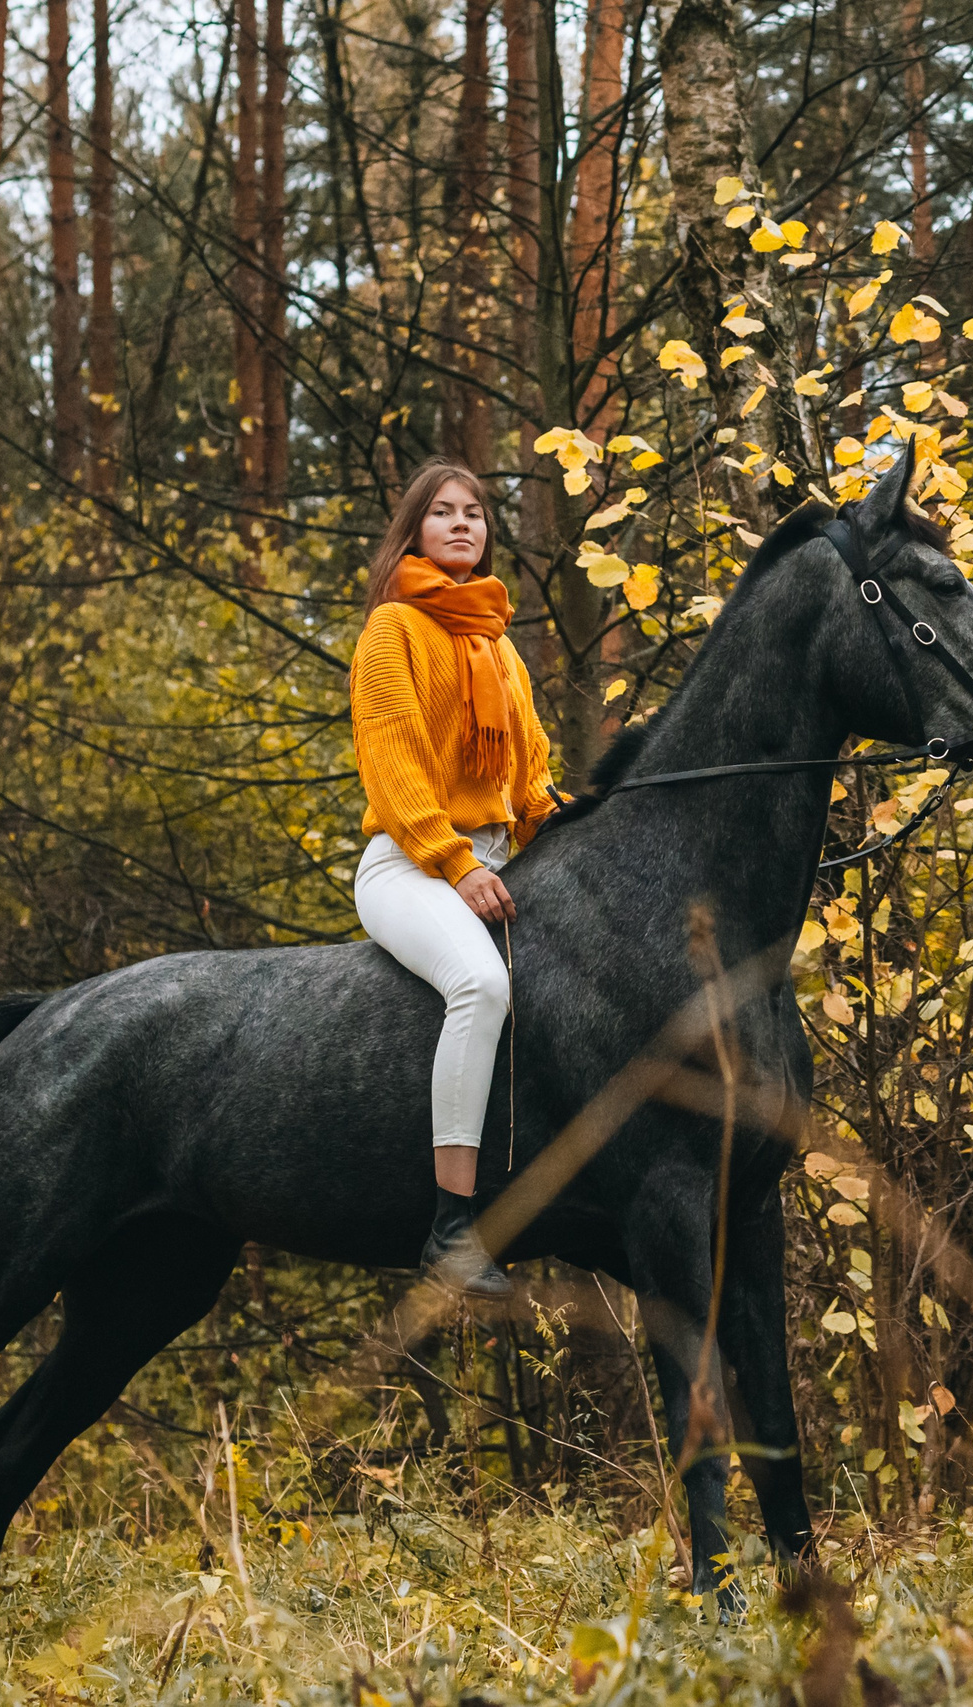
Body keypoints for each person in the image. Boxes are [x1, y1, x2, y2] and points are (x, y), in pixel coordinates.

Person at [350, 459, 559, 1298]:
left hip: (493, 862)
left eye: (474, 512)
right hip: (410, 864)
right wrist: (456, 861)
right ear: (415, 530)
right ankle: (449, 1230)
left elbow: (530, 774)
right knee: (479, 983)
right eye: (443, 512)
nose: (464, 524)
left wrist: (568, 821)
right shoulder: (391, 631)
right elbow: (393, 766)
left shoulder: (498, 645)